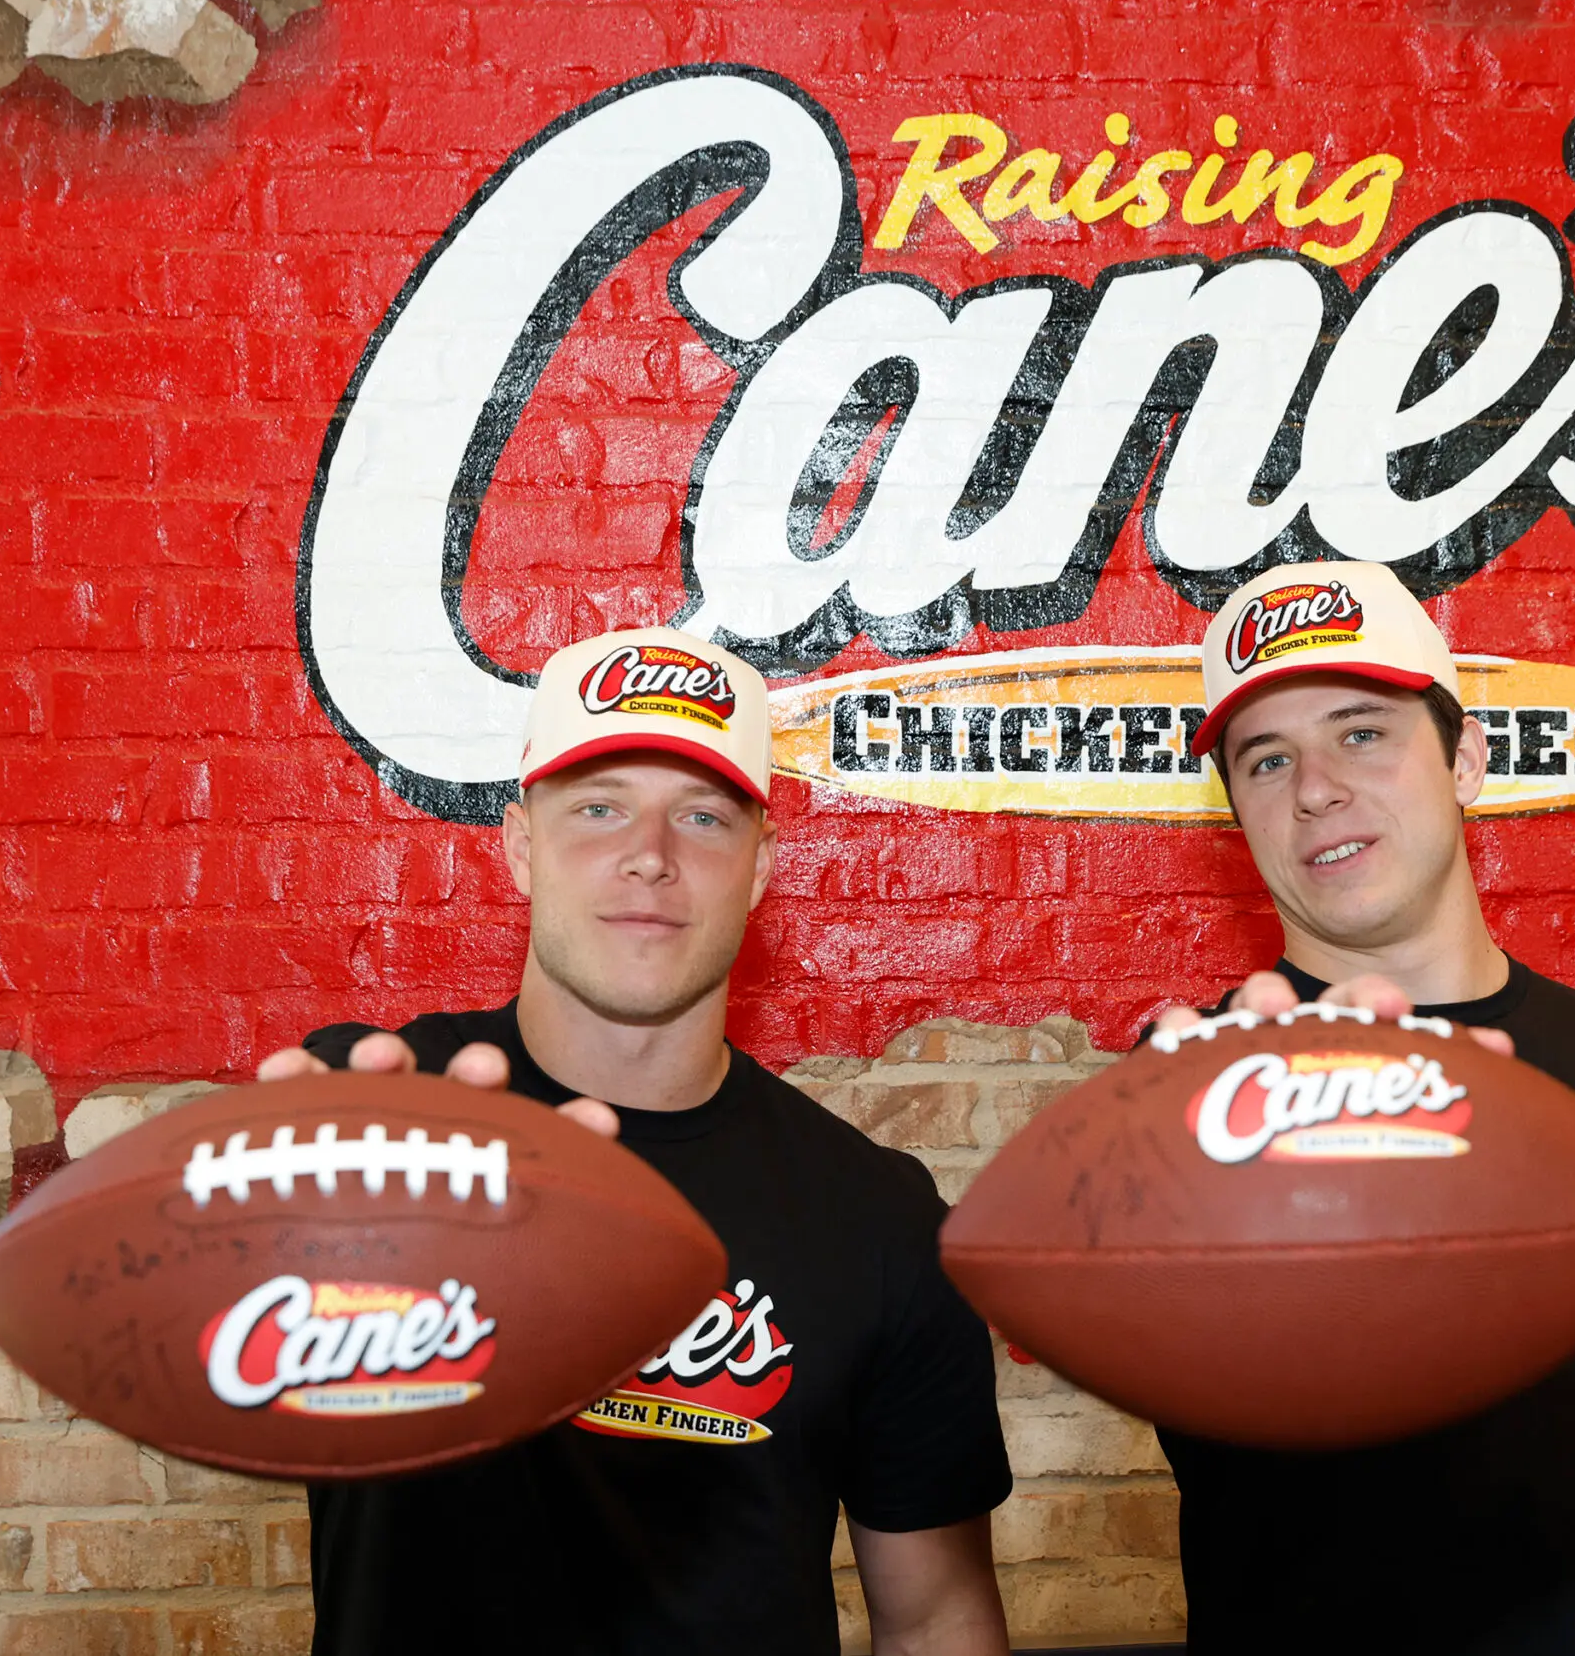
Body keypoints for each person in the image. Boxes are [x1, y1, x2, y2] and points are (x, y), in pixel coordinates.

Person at [258, 631, 1013, 1656]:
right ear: (520, 845)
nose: (650, 853)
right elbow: (205, 1321)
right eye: (599, 807)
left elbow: (934, 1620)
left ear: (760, 866)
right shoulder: (377, 1118)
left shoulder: (879, 1220)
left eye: (702, 816)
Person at [1151, 562, 1575, 1656]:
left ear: (1465, 760)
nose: (1316, 788)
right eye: (1267, 760)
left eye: (1362, 733)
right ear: (1238, 814)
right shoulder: (1197, 1097)